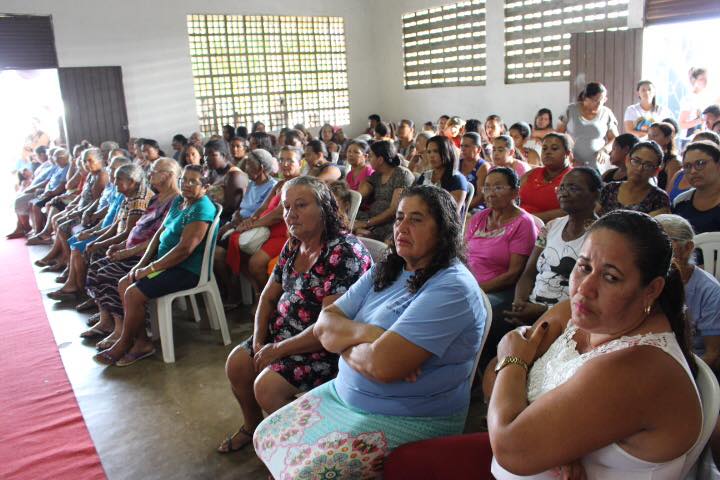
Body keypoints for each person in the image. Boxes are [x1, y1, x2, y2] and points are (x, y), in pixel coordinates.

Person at [254, 185, 486, 478]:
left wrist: (347, 342)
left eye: (416, 219)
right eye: (399, 217)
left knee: (303, 474)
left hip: (408, 416)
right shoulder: (389, 268)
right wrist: (374, 335)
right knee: (265, 434)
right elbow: (325, 322)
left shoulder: (452, 287)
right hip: (345, 394)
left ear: (443, 230)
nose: (402, 226)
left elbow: (382, 366)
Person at [217, 176, 371, 453]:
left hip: (325, 348)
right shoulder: (293, 245)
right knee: (237, 363)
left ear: (324, 208)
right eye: (287, 207)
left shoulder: (344, 253)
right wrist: (259, 342)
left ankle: (302, 452)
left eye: (301, 205)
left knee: (268, 387)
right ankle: (253, 428)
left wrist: (275, 351)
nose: (290, 214)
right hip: (283, 335)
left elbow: (329, 329)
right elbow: (267, 297)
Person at [94, 165, 218, 366]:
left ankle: (124, 343)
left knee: (133, 293)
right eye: (184, 179)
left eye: (193, 182)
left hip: (185, 269)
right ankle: (142, 342)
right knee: (125, 282)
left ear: (206, 187)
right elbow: (159, 233)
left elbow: (184, 250)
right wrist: (141, 265)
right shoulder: (180, 201)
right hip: (165, 264)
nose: (185, 184)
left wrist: (150, 269)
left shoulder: (202, 208)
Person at [81, 160, 181, 342]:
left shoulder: (176, 201)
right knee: (96, 266)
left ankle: (121, 328)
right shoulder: (156, 198)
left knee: (108, 272)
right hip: (134, 251)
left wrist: (128, 252)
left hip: (149, 256)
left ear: (167, 175)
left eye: (153, 171)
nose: (149, 175)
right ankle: (106, 320)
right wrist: (120, 246)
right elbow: (137, 228)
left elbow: (158, 239)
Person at [506, 168, 600, 327]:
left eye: (573, 188)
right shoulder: (550, 227)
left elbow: (592, 293)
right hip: (530, 306)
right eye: (561, 187)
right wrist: (519, 303)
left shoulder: (601, 235)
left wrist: (542, 312)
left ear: (595, 195)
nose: (564, 192)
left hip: (567, 318)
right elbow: (528, 273)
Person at [466, 167, 539, 366]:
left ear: (515, 192)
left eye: (498, 187)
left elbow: (514, 273)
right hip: (472, 284)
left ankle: (473, 369)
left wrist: (477, 290)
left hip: (502, 289)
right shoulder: (480, 217)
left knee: (472, 311)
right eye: (487, 187)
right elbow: (464, 255)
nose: (490, 192)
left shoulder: (523, 223)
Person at [216, 146, 303, 301]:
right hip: (268, 230)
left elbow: (278, 214)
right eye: (282, 159)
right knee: (237, 246)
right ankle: (258, 293)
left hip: (288, 234)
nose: (285, 164)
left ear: (300, 163)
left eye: (290, 160)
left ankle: (268, 300)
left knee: (255, 263)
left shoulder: (299, 185)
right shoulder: (280, 184)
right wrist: (251, 220)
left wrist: (251, 225)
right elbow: (263, 207)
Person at [656, 214, 720, 373]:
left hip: (691, 364)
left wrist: (679, 376)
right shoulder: (651, 280)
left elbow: (713, 353)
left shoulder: (710, 291)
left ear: (687, 248)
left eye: (664, 241)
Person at [354, 141, 415, 242]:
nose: (368, 159)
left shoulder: (401, 175)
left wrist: (367, 223)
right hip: (373, 216)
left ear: (380, 159)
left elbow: (394, 210)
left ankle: (366, 233)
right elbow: (360, 194)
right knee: (346, 216)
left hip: (390, 221)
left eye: (371, 156)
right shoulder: (377, 175)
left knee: (359, 234)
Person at [599, 140, 670, 216]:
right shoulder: (610, 188)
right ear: (627, 160)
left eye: (648, 165)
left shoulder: (659, 198)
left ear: (656, 171)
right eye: (636, 161)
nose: (640, 168)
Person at [558, 82, 619, 171]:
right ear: (585, 98)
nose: (599, 104)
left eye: (602, 100)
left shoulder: (607, 113)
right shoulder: (571, 110)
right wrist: (569, 157)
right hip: (573, 163)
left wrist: (604, 150)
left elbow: (615, 139)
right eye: (595, 100)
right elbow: (558, 135)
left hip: (597, 166)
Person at [518, 133, 574, 222]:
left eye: (554, 148)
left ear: (567, 153)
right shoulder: (531, 173)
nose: (548, 152)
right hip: (520, 224)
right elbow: (513, 197)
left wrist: (531, 219)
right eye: (544, 149)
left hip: (553, 229)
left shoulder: (575, 177)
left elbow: (573, 210)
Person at [672, 140, 720, 235]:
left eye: (700, 163)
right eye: (687, 166)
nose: (693, 171)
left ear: (718, 164)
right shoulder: (680, 202)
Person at [414, 135, 468, 215]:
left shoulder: (457, 179)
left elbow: (451, 213)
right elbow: (415, 200)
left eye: (436, 151)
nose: (431, 156)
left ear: (447, 152)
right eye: (429, 152)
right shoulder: (425, 176)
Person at [225, 149, 278, 227]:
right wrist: (236, 216)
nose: (246, 168)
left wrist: (241, 223)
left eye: (249, 164)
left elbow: (263, 213)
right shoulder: (251, 184)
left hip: (252, 225)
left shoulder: (272, 187)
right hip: (239, 221)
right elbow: (242, 207)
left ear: (261, 168)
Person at [203, 139, 248, 224]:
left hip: (226, 219)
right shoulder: (214, 172)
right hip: (212, 215)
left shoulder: (234, 175)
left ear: (223, 155)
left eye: (212, 155)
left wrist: (205, 215)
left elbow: (231, 208)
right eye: (205, 155)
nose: (206, 159)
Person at [679, 67, 710, 146]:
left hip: (703, 138)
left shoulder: (706, 97)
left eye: (706, 78)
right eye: (701, 79)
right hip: (689, 140)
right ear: (694, 80)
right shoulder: (689, 99)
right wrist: (699, 121)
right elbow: (681, 124)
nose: (705, 81)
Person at [460, 132, 490, 209]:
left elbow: (480, 197)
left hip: (475, 207)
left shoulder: (483, 167)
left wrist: (462, 209)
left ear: (479, 149)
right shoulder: (457, 163)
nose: (463, 149)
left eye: (466, 146)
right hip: (457, 204)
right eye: (461, 146)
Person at [648, 122, 681, 190]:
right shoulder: (649, 157)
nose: (650, 140)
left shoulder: (674, 162)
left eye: (654, 136)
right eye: (649, 136)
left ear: (667, 139)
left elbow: (670, 192)